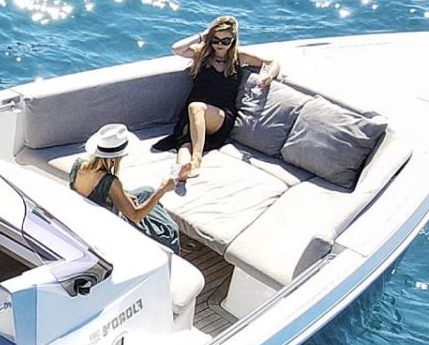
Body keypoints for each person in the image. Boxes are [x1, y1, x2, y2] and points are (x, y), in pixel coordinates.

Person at [152, 15, 281, 174]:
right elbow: (176, 49)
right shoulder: (202, 54)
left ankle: (197, 159)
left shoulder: (238, 57)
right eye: (216, 40)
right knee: (184, 146)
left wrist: (269, 76)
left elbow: (272, 62)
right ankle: (182, 173)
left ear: (233, 40)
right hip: (192, 116)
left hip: (220, 116)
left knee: (196, 106)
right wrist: (203, 35)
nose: (220, 45)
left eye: (225, 41)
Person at [70, 124, 185, 254]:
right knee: (169, 230)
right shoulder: (111, 182)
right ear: (115, 157)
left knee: (146, 191)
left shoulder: (78, 165)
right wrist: (162, 190)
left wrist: (121, 195)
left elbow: (95, 193)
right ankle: (171, 257)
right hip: (110, 225)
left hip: (92, 216)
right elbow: (136, 216)